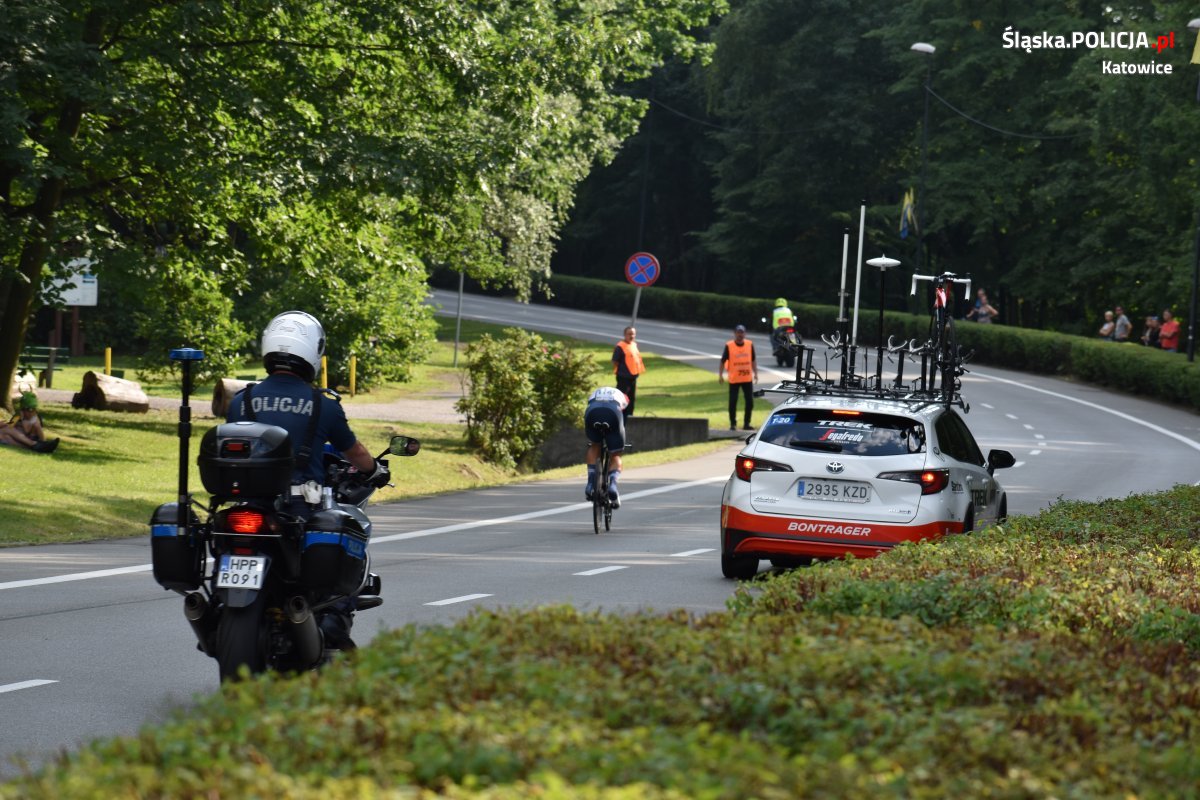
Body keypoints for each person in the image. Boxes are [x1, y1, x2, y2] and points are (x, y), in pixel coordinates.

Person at [226, 311, 389, 648]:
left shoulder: (241, 401)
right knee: (339, 544)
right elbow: (354, 453)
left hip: (246, 507)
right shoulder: (323, 406)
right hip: (300, 507)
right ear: (314, 351)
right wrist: (375, 470)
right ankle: (333, 620)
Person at [583, 386, 629, 508]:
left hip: (593, 412)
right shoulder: (622, 397)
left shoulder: (596, 392)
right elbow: (623, 418)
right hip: (613, 413)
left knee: (594, 445)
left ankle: (590, 483)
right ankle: (613, 485)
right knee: (616, 453)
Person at [718, 324, 758, 431]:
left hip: (747, 379)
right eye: (738, 332)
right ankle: (733, 424)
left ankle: (746, 423)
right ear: (735, 333)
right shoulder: (729, 345)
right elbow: (722, 361)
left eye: (742, 332)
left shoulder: (749, 344)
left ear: (745, 333)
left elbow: (753, 360)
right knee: (732, 402)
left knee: (750, 402)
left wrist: (756, 373)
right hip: (734, 379)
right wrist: (720, 375)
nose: (740, 334)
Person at [611, 326, 644, 418]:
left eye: (633, 334)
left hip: (632, 377)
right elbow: (615, 361)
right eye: (629, 334)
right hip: (623, 377)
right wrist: (622, 370)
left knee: (631, 398)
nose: (631, 336)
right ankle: (617, 415)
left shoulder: (633, 345)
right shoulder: (620, 346)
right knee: (622, 398)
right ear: (625, 335)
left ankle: (629, 415)